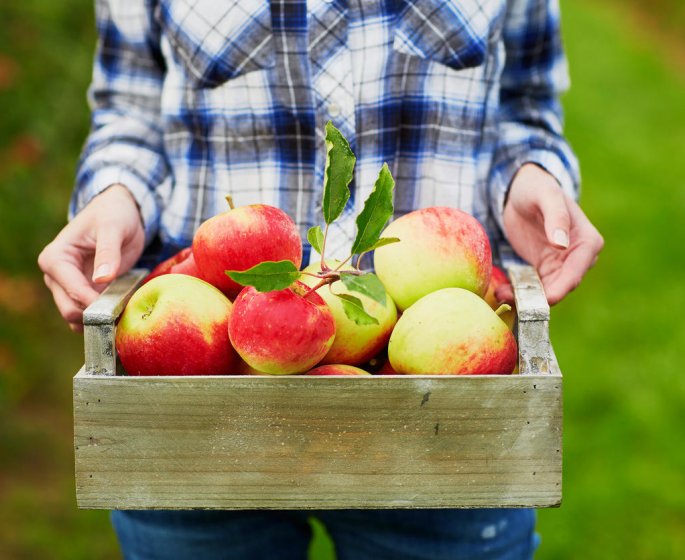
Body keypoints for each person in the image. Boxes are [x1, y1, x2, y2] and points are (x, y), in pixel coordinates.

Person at [39, 0, 603, 558]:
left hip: (443, 423)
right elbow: (130, 108)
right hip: (198, 406)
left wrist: (529, 172)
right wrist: (118, 192)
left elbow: (525, 100)